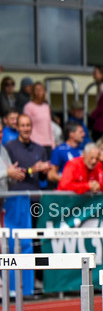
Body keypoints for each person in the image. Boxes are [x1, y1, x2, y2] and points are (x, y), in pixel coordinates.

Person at [4, 114, 52, 295]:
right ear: (17, 127)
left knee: (35, 241)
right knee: (16, 242)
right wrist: (33, 169)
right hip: (14, 202)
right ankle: (14, 285)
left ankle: (34, 282)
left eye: (28, 125)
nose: (25, 128)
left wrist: (43, 171)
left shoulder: (40, 148)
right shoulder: (9, 148)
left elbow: (43, 179)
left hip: (34, 201)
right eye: (22, 125)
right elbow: (14, 174)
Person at [23, 82, 54, 152]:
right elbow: (26, 125)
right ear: (33, 92)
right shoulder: (28, 106)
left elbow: (49, 126)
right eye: (36, 90)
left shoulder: (46, 107)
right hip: (35, 143)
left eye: (41, 90)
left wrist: (52, 143)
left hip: (48, 143)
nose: (39, 92)